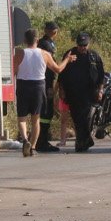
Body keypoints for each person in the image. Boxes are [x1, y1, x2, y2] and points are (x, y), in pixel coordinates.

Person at [14, 28, 75, 157]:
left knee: (22, 118)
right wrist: (67, 59)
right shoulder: (45, 54)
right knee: (36, 119)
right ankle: (32, 146)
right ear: (37, 40)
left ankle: (25, 140)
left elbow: (13, 71)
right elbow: (58, 69)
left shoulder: (19, 53)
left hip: (23, 85)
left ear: (25, 40)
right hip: (38, 86)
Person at [57, 32, 105, 152]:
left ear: (88, 44)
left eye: (84, 45)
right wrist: (61, 90)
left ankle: (81, 142)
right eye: (80, 45)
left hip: (89, 93)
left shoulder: (94, 56)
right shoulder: (70, 54)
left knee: (86, 118)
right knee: (77, 118)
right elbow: (61, 74)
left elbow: (101, 75)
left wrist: (100, 90)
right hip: (73, 92)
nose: (82, 48)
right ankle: (85, 141)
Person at [36, 21, 62, 152]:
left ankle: (42, 140)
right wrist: (50, 86)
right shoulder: (46, 44)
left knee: (46, 113)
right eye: (53, 30)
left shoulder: (47, 43)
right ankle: (42, 142)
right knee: (46, 112)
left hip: (45, 80)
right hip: (46, 81)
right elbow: (49, 66)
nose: (54, 32)